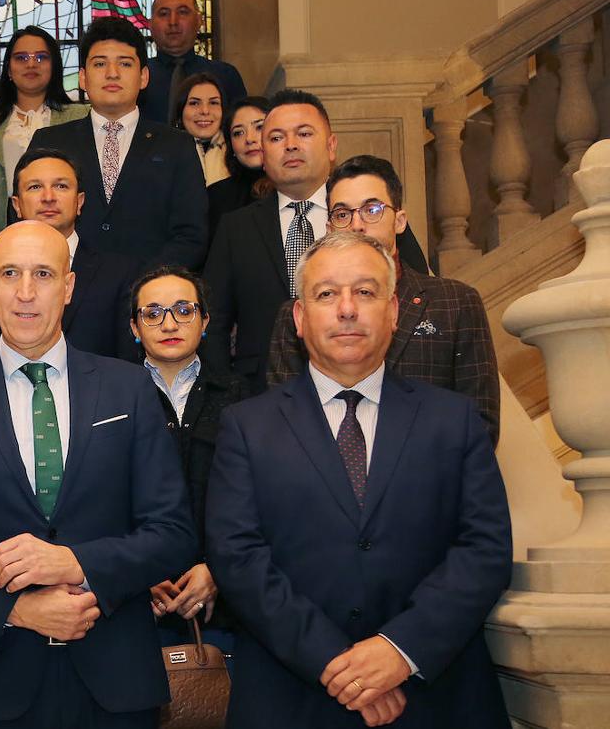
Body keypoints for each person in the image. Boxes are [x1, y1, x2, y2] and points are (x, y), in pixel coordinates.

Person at [0, 221, 199, 727]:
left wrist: (74, 563)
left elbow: (173, 535)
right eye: (11, 273)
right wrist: (14, 609)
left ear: (70, 286)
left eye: (44, 273)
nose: (26, 293)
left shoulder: (129, 390)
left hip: (116, 684)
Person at [206, 230, 513, 728]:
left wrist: (400, 651)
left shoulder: (452, 420)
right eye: (326, 294)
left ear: (393, 312)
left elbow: (485, 548)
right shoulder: (246, 427)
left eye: (365, 292)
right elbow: (237, 557)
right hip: (292, 697)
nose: (347, 308)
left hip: (436, 695)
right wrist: (333, 662)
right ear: (300, 319)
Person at [202, 89, 428, 395]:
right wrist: (228, 394)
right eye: (277, 138)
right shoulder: (235, 227)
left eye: (304, 133)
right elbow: (212, 321)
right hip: (261, 396)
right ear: (263, 155)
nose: (291, 145)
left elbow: (416, 295)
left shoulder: (369, 213)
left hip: (370, 386)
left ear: (331, 145)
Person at [267, 155, 500, 443]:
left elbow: (480, 425)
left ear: (399, 221)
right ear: (329, 228)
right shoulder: (299, 313)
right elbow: (283, 423)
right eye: (342, 214)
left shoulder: (455, 302)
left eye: (372, 209)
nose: (357, 224)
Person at [30, 16, 210, 270]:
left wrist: (144, 287)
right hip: (67, 291)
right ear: (82, 77)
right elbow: (26, 221)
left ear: (144, 76)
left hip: (149, 297)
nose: (112, 73)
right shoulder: (50, 142)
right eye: (100, 63)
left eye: (125, 64)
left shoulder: (176, 145)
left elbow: (191, 235)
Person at [129, 266, 243, 659]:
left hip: (226, 606)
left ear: (205, 320)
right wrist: (135, 574)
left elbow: (259, 502)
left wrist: (217, 571)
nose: (169, 323)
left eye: (183, 309)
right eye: (153, 313)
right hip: (134, 606)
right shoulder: (108, 399)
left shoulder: (241, 398)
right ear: (135, 327)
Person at [11, 147, 139, 359]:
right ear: (17, 205)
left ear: (79, 202)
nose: (48, 197)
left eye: (61, 186)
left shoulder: (120, 274)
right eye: (35, 187)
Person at [0, 25, 89, 231]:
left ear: (54, 66)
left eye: (41, 57)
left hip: (70, 233)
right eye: (21, 58)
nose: (31, 64)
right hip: (4, 234)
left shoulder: (81, 116)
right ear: (9, 69)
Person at [140, 0, 246, 124]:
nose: (173, 22)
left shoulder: (226, 76)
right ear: (150, 24)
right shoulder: (137, 76)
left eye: (183, 12)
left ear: (199, 20)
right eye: (164, 14)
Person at [206, 95, 271, 242]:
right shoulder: (215, 197)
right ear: (231, 146)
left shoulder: (293, 188)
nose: (249, 139)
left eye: (259, 127)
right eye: (238, 133)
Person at [171, 72, 230, 187]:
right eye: (194, 103)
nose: (205, 111)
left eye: (213, 103)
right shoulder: (163, 154)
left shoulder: (237, 154)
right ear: (180, 111)